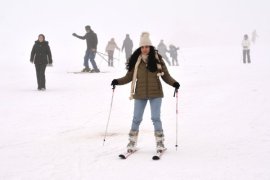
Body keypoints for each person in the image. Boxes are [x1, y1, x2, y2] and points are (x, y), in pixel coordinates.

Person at [111, 32, 180, 153]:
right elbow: (129, 77)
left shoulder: (158, 59)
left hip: (156, 93)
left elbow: (166, 76)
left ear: (150, 47)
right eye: (142, 47)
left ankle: (160, 143)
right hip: (140, 94)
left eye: (147, 46)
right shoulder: (135, 61)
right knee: (136, 118)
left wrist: (174, 83)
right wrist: (117, 81)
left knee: (155, 118)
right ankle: (132, 142)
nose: (144, 49)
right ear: (140, 48)